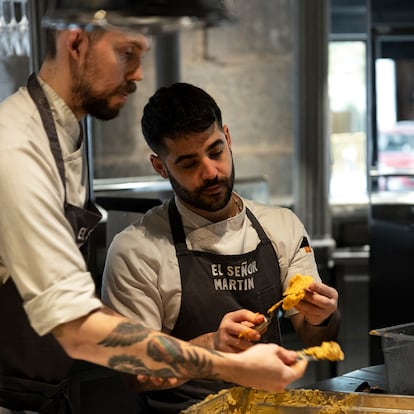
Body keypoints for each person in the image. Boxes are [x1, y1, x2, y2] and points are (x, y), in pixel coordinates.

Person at [0, 23, 309, 414]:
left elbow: (86, 313)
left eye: (141, 55)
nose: (138, 73)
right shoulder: (17, 149)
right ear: (75, 42)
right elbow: (79, 328)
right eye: (126, 53)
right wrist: (227, 362)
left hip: (45, 398)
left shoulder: (61, 136)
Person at [101, 82, 341, 413]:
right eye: (188, 163)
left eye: (215, 151)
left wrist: (322, 317)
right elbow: (136, 373)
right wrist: (212, 345)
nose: (211, 172)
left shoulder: (281, 226)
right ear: (160, 166)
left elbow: (316, 338)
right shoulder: (136, 249)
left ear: (227, 137)